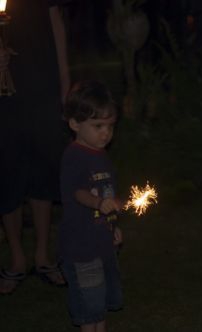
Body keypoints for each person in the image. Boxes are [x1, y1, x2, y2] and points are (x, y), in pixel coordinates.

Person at [0, 0, 70, 294]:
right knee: (7, 169)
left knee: (42, 166)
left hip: (42, 82)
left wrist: (65, 81)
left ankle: (43, 255)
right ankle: (17, 259)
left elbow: (56, 23)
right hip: (5, 92)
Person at [59, 81, 123, 332]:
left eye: (110, 126)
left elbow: (107, 193)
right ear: (75, 124)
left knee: (100, 301)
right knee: (89, 305)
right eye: (98, 126)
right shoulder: (75, 155)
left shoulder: (101, 156)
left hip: (100, 241)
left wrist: (112, 226)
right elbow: (78, 192)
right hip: (81, 246)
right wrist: (99, 203)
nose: (105, 133)